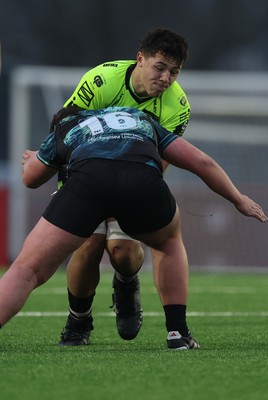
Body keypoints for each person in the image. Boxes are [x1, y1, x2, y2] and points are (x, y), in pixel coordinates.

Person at [9, 105, 267, 351]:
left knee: (26, 269)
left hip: (88, 181)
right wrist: (237, 198)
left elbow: (31, 179)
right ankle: (178, 333)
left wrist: (37, 158)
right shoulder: (139, 117)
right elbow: (201, 162)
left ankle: (91, 312)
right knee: (167, 243)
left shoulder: (67, 126)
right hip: (141, 179)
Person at [57, 28, 192, 346]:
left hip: (132, 178)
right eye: (160, 67)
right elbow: (65, 129)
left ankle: (126, 282)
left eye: (174, 72)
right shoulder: (102, 80)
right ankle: (79, 323)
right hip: (85, 174)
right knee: (88, 245)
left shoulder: (178, 107)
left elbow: (159, 163)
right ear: (140, 59)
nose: (166, 78)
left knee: (124, 254)